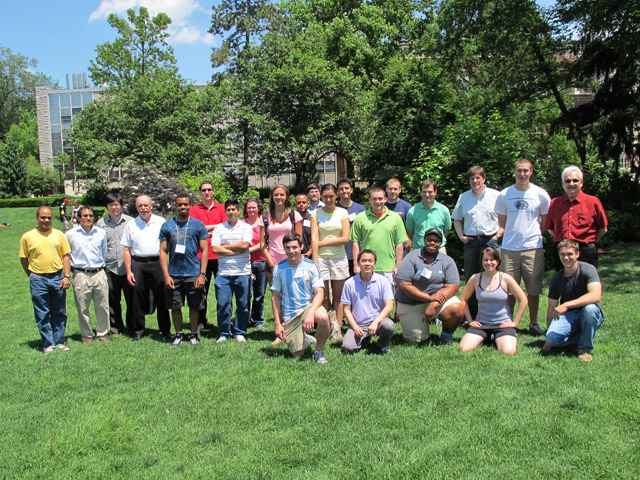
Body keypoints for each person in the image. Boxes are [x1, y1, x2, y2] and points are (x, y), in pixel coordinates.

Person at [495, 158, 551, 336]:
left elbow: (544, 221)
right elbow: (502, 221)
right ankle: (509, 323)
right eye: (519, 170)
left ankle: (533, 323)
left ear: (531, 172)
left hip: (532, 248)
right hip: (509, 248)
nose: (522, 174)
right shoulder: (505, 194)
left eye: (526, 170)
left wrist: (532, 234)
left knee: (533, 290)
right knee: (509, 290)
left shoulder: (540, 194)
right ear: (514, 172)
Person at [395, 228, 464, 344]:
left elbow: (453, 286)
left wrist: (433, 303)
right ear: (424, 240)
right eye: (429, 240)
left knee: (457, 309)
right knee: (416, 340)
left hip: (436, 301)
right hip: (411, 303)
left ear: (440, 243)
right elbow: (403, 284)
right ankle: (420, 326)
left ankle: (446, 336)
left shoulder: (447, 261)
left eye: (436, 241)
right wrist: (428, 298)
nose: (432, 243)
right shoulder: (411, 258)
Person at [452, 166, 503, 318]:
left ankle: (495, 314)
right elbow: (457, 219)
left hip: (491, 240)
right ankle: (472, 316)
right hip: (471, 242)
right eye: (472, 178)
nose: (475, 181)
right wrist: (461, 236)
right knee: (471, 278)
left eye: (478, 178)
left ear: (484, 179)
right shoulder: (464, 197)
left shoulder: (496, 195)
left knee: (494, 277)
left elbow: (504, 218)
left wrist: (497, 236)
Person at [19, 206, 71, 354]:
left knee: (59, 311)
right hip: (38, 278)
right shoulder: (27, 237)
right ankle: (48, 344)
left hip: (58, 277)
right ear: (37, 218)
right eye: (43, 217)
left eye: (48, 218)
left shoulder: (59, 234)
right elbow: (24, 259)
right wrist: (32, 275)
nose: (46, 220)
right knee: (42, 312)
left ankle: (59, 341)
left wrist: (66, 276)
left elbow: (65, 256)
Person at [271, 233, 330, 364]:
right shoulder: (278, 268)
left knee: (323, 317)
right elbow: (275, 297)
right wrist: (277, 324)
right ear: (284, 249)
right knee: (298, 355)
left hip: (308, 307)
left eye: (294, 247)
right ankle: (305, 338)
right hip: (290, 315)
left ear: (301, 247)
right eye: (288, 248)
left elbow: (320, 292)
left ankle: (318, 352)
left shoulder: (311, 266)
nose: (291, 251)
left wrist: (310, 313)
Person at [541, 239, 604, 362]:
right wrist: (548, 337)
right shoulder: (557, 279)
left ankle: (584, 348)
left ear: (577, 254)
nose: (566, 258)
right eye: (562, 254)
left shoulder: (588, 269)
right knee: (552, 339)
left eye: (570, 254)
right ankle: (581, 336)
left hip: (589, 312)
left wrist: (567, 304)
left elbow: (596, 295)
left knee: (590, 309)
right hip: (569, 315)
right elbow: (551, 308)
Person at [159, 194, 209, 346]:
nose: (183, 207)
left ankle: (193, 334)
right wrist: (166, 275)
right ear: (175, 205)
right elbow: (162, 251)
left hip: (193, 273)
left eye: (185, 205)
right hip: (174, 274)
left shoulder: (198, 225)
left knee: (195, 306)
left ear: (189, 205)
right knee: (175, 306)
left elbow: (205, 249)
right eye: (180, 205)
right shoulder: (167, 226)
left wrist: (202, 274)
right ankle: (179, 334)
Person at [121, 195, 172, 341]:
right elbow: (126, 249)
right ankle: (138, 330)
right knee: (137, 297)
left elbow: (167, 245)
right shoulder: (131, 224)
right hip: (138, 263)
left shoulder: (161, 222)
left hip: (157, 262)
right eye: (140, 206)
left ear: (151, 206)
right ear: (136, 208)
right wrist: (129, 270)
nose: (143, 208)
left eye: (145, 205)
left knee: (162, 297)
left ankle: (165, 330)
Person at [459, 247, 528, 355]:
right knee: (464, 348)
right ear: (481, 262)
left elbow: (523, 299)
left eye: (492, 260)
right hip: (481, 323)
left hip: (502, 324)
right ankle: (485, 337)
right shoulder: (475, 278)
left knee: (509, 351)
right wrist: (470, 320)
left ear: (498, 261)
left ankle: (497, 338)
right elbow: (463, 299)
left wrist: (515, 322)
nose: (489, 263)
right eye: (485, 260)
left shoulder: (505, 278)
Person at [545, 165, 608, 270]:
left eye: (575, 180)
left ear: (581, 183)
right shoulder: (555, 203)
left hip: (586, 251)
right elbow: (550, 227)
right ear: (562, 184)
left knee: (587, 283)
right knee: (564, 283)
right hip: (562, 251)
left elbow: (603, 228)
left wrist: (588, 242)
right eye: (568, 181)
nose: (571, 184)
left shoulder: (593, 202)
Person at [65, 206, 110, 344]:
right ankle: (87, 335)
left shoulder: (101, 233)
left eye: (90, 215)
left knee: (102, 306)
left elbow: (104, 252)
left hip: (98, 272)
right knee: (82, 307)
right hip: (80, 274)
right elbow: (67, 254)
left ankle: (103, 333)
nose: (88, 218)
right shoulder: (71, 234)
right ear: (79, 218)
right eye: (84, 216)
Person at [311, 183, 351, 339]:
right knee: (324, 296)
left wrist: (320, 243)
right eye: (325, 196)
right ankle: (326, 327)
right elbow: (314, 236)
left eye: (331, 196)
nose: (328, 199)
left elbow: (345, 238)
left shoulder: (343, 213)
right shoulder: (316, 213)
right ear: (321, 196)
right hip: (321, 258)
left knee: (339, 296)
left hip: (339, 258)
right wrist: (315, 257)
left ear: (336, 196)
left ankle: (338, 329)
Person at [212, 199, 253, 342]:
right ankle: (224, 332)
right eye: (228, 210)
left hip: (242, 272)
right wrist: (234, 251)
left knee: (243, 304)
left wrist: (225, 247)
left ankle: (239, 332)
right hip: (223, 273)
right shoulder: (219, 228)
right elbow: (215, 248)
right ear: (225, 211)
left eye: (234, 209)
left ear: (238, 211)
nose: (231, 212)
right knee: (223, 304)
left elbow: (244, 245)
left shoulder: (246, 227)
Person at [188, 180, 227, 332]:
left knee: (223, 291)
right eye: (203, 190)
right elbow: (195, 228)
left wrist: (204, 230)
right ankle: (200, 322)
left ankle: (223, 321)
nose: (206, 192)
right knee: (200, 291)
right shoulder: (194, 210)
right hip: (200, 257)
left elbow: (225, 228)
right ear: (200, 193)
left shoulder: (222, 208)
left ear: (213, 191)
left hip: (219, 256)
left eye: (209, 189)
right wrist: (216, 228)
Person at [350, 187, 408, 288]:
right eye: (374, 199)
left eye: (380, 199)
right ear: (369, 200)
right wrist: (356, 264)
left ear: (385, 199)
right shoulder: (361, 217)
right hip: (366, 266)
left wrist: (398, 265)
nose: (378, 202)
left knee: (388, 299)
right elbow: (355, 242)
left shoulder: (395, 218)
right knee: (367, 299)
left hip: (388, 267)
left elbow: (399, 244)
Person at [340, 250, 395, 354]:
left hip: (378, 322)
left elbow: (389, 306)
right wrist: (355, 327)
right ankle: (364, 340)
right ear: (358, 263)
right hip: (359, 324)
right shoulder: (349, 283)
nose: (367, 264)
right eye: (364, 261)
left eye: (370, 261)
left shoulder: (383, 281)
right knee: (348, 348)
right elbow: (346, 309)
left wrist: (376, 322)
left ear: (374, 264)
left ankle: (382, 344)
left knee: (388, 325)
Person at [96, 193, 133, 336]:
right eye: (111, 205)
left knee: (131, 300)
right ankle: (115, 328)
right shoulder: (101, 224)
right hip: (110, 267)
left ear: (122, 206)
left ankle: (132, 326)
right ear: (107, 207)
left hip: (127, 268)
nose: (114, 207)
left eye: (117, 204)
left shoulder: (130, 222)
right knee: (112, 300)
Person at [260, 184, 303, 283]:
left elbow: (299, 242)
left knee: (293, 292)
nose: (279, 197)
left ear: (286, 197)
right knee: (276, 294)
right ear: (272, 197)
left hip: (292, 260)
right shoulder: (265, 216)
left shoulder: (294, 215)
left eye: (282, 195)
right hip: (272, 260)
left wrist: (294, 260)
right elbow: (263, 244)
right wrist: (272, 264)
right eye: (276, 195)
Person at [241, 197, 268, 328]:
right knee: (245, 293)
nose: (251, 209)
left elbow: (265, 242)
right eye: (249, 207)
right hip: (243, 263)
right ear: (245, 209)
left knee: (260, 293)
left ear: (259, 208)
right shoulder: (241, 223)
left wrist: (249, 250)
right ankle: (244, 319)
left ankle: (257, 319)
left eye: (254, 207)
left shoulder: (264, 222)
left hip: (261, 262)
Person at [406, 179, 451, 252]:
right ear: (420, 192)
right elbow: (410, 233)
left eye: (430, 192)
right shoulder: (412, 212)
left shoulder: (444, 210)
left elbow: (446, 232)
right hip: (419, 250)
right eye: (424, 192)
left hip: (439, 250)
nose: (427, 195)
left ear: (435, 192)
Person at [336, 177, 366, 275]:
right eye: (341, 189)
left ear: (351, 190)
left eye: (347, 188)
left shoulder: (361, 209)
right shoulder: (334, 209)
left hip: (356, 254)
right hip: (339, 254)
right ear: (337, 192)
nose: (344, 191)